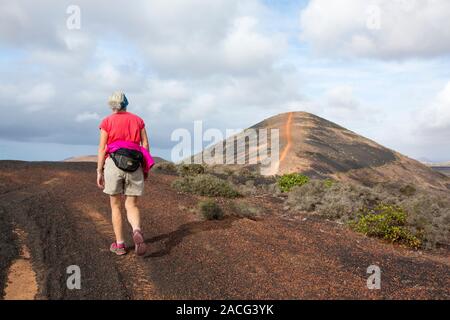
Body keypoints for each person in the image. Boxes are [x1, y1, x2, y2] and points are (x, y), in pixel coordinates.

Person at [96, 92, 153, 256]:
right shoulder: (137, 120)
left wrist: (99, 171)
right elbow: (145, 144)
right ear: (126, 103)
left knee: (115, 205)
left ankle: (120, 245)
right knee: (132, 204)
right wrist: (145, 167)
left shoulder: (107, 121)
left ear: (111, 105)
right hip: (134, 164)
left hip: (113, 164)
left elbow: (102, 148)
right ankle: (136, 230)